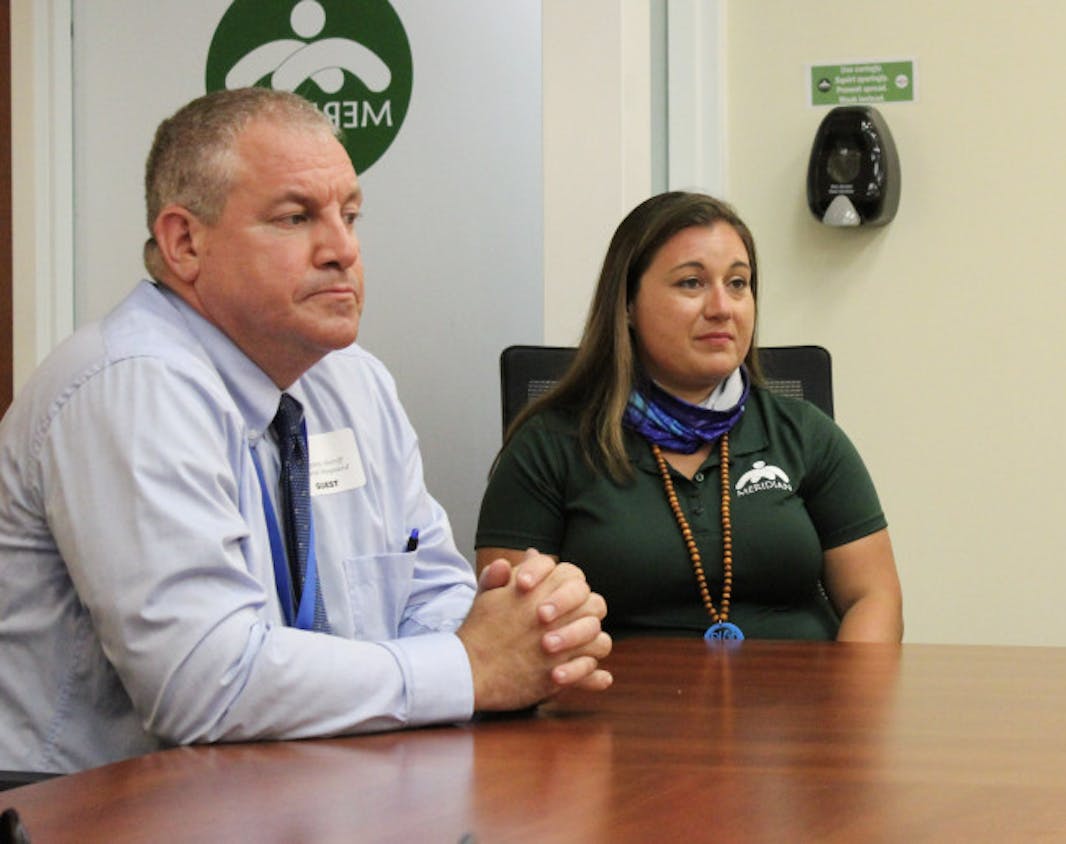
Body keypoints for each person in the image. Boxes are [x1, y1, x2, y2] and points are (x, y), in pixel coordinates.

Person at [0, 88, 611, 774]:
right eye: (296, 217)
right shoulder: (129, 386)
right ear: (184, 242)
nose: (342, 249)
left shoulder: (353, 381)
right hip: (87, 810)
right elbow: (203, 687)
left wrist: (522, 636)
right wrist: (469, 667)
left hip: (300, 781)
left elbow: (431, 588)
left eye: (349, 215)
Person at [476, 192, 902, 642]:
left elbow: (873, 597)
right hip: (621, 705)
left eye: (738, 283)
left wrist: (848, 703)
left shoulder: (807, 435)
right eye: (691, 283)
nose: (722, 307)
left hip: (798, 704)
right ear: (627, 305)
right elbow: (509, 631)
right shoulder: (550, 445)